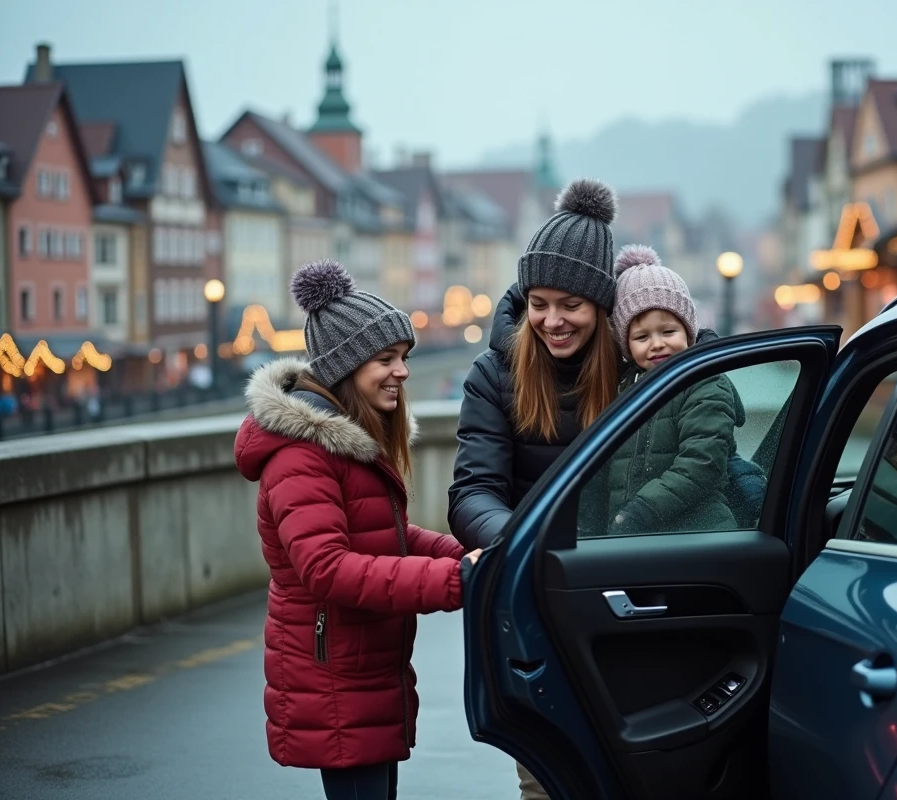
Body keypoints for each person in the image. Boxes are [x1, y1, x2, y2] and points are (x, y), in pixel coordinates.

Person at [234, 259, 480, 800]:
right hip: (335, 673)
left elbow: (385, 535)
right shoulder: (301, 455)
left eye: (404, 358)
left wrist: (465, 552)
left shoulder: (344, 445)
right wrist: (454, 581)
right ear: (346, 367)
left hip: (360, 664)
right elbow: (328, 568)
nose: (403, 372)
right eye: (386, 359)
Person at [448, 178, 621, 800]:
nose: (552, 320)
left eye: (570, 304)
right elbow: (472, 493)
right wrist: (526, 545)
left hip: (627, 595)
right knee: (548, 779)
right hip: (535, 606)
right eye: (539, 302)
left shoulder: (640, 368)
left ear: (602, 306)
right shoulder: (495, 373)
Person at [598, 245, 738, 535]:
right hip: (638, 537)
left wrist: (640, 512)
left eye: (668, 331)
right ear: (626, 344)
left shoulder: (704, 383)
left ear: (688, 331)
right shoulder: (623, 389)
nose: (657, 343)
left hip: (697, 535)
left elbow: (701, 462)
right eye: (641, 336)